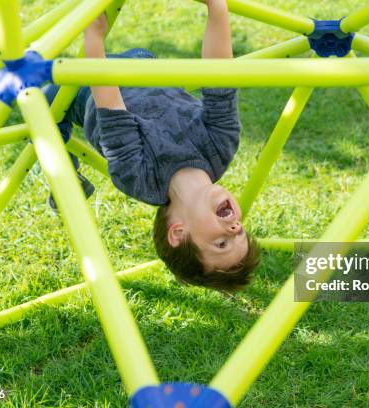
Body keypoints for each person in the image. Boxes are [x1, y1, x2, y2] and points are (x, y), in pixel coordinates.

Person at [44, 0, 259, 292]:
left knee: (45, 108)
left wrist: (94, 43)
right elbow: (219, 79)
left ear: (179, 233)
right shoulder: (220, 148)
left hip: (86, 88)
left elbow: (111, 108)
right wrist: (216, 6)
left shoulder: (139, 178)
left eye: (222, 243)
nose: (234, 229)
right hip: (145, 63)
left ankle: (66, 177)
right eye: (240, 233)